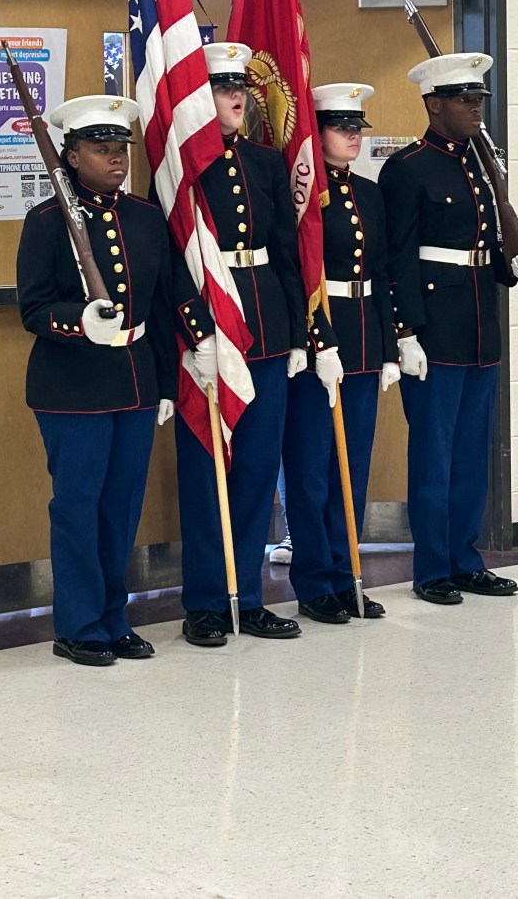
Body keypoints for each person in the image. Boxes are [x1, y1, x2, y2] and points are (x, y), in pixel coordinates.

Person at [16, 94, 212, 667]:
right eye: (100, 150)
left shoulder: (145, 218)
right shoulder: (49, 220)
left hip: (134, 382)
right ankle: (78, 624)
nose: (116, 160)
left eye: (120, 149)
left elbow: (169, 293)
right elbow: (31, 309)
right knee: (78, 506)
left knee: (120, 508)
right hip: (71, 388)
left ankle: (111, 615)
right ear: (71, 157)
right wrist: (78, 321)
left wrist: (179, 373)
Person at [174, 43, 340, 647]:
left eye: (241, 86)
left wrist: (299, 333)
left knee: (255, 470)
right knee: (206, 470)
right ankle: (205, 603)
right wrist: (196, 333)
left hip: (266, 328)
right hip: (215, 333)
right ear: (199, 96)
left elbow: (289, 251)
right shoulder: (184, 167)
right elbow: (176, 257)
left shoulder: (267, 162)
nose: (238, 97)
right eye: (222, 88)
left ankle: (246, 596)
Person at [378, 54, 518, 606]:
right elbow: (397, 258)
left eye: (479, 101)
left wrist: (512, 266)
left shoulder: (478, 163)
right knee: (435, 455)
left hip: (479, 327)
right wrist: (405, 332)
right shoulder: (407, 169)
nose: (476, 109)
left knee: (473, 454)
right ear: (433, 105)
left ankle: (465, 559)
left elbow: (485, 241)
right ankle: (431, 569)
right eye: (464, 101)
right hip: (435, 331)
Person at [281, 84, 400, 624]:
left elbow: (385, 273)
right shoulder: (301, 197)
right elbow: (296, 273)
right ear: (315, 132)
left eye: (357, 126)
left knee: (352, 465)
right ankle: (314, 581)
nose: (353, 134)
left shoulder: (372, 194)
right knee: (311, 469)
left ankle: (348, 574)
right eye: (340, 126)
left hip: (363, 338)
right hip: (319, 343)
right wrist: (312, 337)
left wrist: (393, 344)